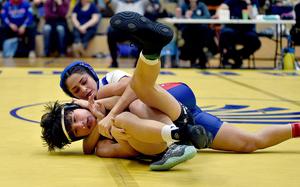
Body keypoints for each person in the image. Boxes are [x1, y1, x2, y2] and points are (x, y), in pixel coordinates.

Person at [61, 11, 300, 155]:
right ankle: (297, 129)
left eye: (83, 83)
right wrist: (98, 119)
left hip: (168, 96)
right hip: (184, 113)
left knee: (135, 103)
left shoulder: (108, 81)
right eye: (76, 91)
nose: (84, 90)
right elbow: (89, 148)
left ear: (92, 74)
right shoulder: (91, 119)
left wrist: (108, 111)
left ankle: (150, 50)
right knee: (249, 143)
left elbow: (133, 87)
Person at [214, 0, 261, 68]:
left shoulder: (253, 2)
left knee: (256, 42)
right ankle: (236, 59)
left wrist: (248, 4)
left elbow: (253, 17)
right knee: (225, 35)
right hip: (233, 29)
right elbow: (223, 6)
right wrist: (218, 13)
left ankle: (231, 56)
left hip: (247, 30)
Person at [175, 0, 218, 68]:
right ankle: (202, 59)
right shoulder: (183, 5)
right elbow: (178, 19)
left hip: (201, 30)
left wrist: (192, 17)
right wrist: (185, 17)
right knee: (193, 37)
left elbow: (207, 17)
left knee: (203, 35)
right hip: (188, 29)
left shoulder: (202, 5)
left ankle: (197, 60)